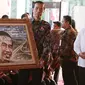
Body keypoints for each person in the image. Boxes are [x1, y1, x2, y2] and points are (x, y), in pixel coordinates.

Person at [18, 1, 51, 85]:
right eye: (36, 8)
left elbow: (47, 44)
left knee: (36, 82)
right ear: (33, 9)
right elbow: (19, 41)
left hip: (38, 60)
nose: (38, 11)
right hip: (25, 59)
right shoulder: (26, 23)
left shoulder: (46, 25)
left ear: (43, 10)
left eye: (41, 9)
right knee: (22, 81)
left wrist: (42, 59)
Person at [60, 15, 78, 85]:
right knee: (68, 78)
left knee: (69, 79)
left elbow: (68, 47)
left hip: (68, 59)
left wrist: (60, 55)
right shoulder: (67, 31)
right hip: (67, 58)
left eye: (62, 21)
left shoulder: (70, 32)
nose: (61, 23)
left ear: (67, 22)